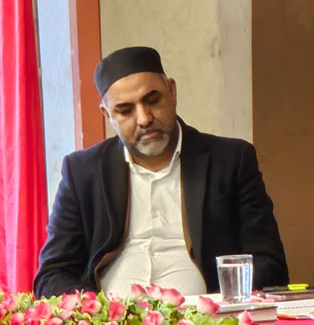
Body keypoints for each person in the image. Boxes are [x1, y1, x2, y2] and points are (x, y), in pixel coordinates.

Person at [35, 46, 288, 298]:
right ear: (107, 114)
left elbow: (269, 264)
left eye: (152, 100)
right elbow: (52, 274)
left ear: (172, 92)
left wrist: (220, 306)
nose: (144, 118)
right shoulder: (83, 171)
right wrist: (98, 310)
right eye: (125, 110)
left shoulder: (230, 160)